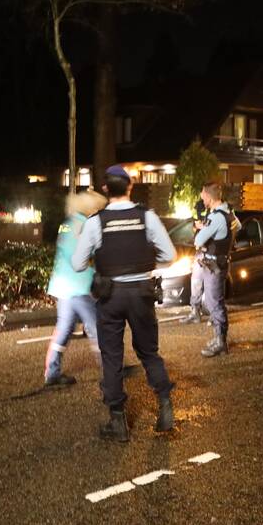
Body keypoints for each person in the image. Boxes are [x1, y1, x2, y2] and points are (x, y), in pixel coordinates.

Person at [72, 165, 177, 442]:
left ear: (106, 189)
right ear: (130, 186)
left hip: (111, 295)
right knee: (148, 352)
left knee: (112, 356)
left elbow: (77, 263)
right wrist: (144, 264)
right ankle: (165, 406)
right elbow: (170, 254)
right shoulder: (147, 217)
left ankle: (118, 422)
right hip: (142, 292)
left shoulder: (96, 222)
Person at [43, 190, 108, 386]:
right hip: (79, 285)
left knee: (64, 329)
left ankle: (52, 372)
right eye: (98, 209)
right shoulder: (86, 225)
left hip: (62, 285)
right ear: (91, 208)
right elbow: (91, 253)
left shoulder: (67, 224)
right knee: (98, 327)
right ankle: (111, 369)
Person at [194, 181, 238, 357]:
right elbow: (237, 227)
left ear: (210, 197)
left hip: (214, 265)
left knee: (214, 302)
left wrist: (201, 229)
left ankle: (220, 342)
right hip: (219, 261)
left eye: (203, 195)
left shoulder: (217, 217)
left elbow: (198, 241)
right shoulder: (228, 213)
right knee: (213, 301)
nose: (201, 198)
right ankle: (219, 338)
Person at [181, 198, 209, 324]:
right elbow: (194, 223)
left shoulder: (217, 212)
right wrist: (195, 225)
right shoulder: (199, 206)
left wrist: (204, 226)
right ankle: (195, 311)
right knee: (196, 282)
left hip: (210, 253)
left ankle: (215, 316)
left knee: (210, 285)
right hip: (199, 253)